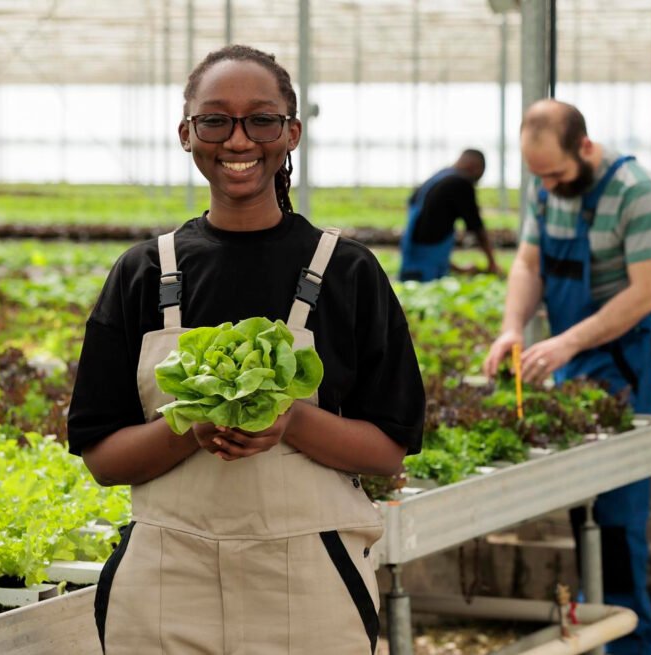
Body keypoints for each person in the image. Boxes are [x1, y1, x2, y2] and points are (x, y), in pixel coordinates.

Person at [67, 45, 425, 655]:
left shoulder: (347, 272)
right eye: (216, 120)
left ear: (291, 133)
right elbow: (103, 457)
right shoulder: (144, 273)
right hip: (164, 583)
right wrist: (192, 427)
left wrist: (288, 422)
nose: (238, 141)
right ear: (187, 133)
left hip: (311, 578)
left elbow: (388, 449)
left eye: (261, 120)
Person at [481, 99, 651, 655]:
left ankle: (631, 643)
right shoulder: (549, 188)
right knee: (583, 502)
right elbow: (528, 264)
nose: (549, 186)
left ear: (585, 149)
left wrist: (566, 342)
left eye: (557, 174)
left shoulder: (638, 193)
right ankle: (597, 627)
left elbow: (646, 292)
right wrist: (512, 327)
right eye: (538, 176)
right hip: (574, 360)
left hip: (622, 360)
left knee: (616, 515)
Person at [399, 149, 501, 281]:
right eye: (478, 177)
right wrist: (492, 263)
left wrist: (458, 270)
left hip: (412, 260)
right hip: (427, 270)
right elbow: (476, 226)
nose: (475, 182)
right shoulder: (460, 183)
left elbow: (429, 233)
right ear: (474, 167)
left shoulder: (438, 178)